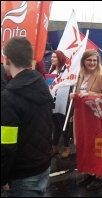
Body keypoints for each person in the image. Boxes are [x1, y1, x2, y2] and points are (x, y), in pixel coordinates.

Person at [1, 36, 53, 197]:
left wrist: (2, 177)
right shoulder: (41, 84)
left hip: (21, 175)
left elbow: (7, 144)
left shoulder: (8, 97)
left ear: (7, 60)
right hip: (42, 166)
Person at [70, 49, 102, 190]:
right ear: (84, 61)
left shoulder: (101, 76)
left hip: (95, 118)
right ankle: (90, 173)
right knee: (84, 144)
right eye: (89, 60)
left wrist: (89, 94)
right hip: (82, 117)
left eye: (95, 60)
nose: (92, 63)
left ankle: (99, 177)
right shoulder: (81, 75)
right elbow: (81, 93)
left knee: (96, 146)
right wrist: (75, 95)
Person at [50, 50, 72, 159]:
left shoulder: (66, 72)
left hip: (62, 103)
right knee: (55, 126)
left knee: (63, 126)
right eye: (52, 57)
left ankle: (67, 147)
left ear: (60, 58)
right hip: (53, 102)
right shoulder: (53, 71)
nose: (52, 58)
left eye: (54, 57)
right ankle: (54, 147)